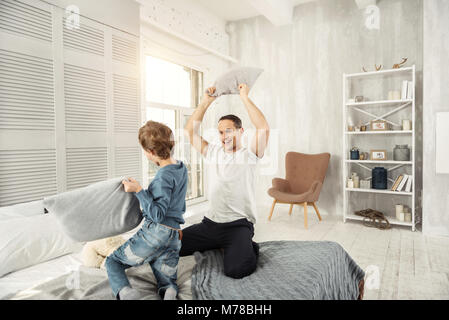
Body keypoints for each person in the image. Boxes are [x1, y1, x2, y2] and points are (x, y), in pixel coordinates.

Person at [181, 83, 270, 278]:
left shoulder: (250, 154)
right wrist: (205, 102)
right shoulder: (212, 151)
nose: (224, 136)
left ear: (240, 131)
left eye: (229, 131)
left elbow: (263, 127)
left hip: (238, 225)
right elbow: (189, 132)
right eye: (221, 132)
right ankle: (219, 244)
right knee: (173, 245)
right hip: (210, 224)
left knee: (237, 270)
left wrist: (244, 97)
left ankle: (246, 245)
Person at [105, 120, 188, 300]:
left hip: (155, 233)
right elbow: (175, 203)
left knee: (113, 261)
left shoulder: (162, 176)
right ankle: (170, 291)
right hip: (174, 237)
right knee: (166, 279)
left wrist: (139, 191)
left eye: (144, 150)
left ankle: (126, 293)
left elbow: (157, 214)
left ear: (150, 152)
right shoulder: (181, 168)